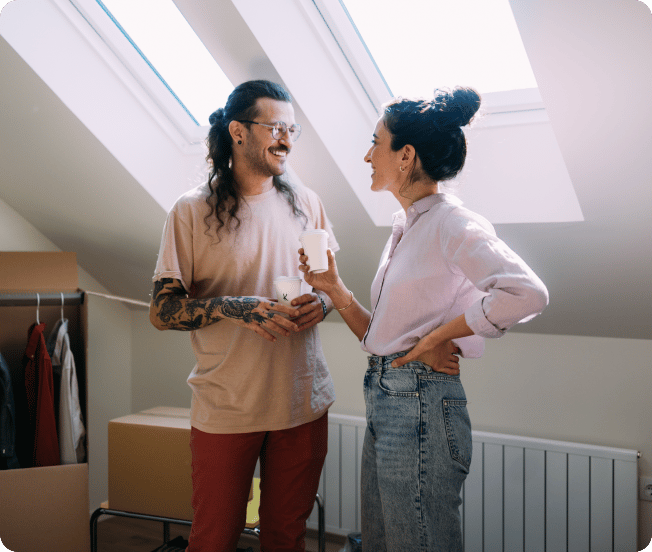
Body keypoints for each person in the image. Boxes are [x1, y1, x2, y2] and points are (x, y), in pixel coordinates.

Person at [299, 87, 549, 552]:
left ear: (405, 156)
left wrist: (442, 334)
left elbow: (526, 292)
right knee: (380, 543)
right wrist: (335, 289)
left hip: (421, 404)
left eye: (377, 142)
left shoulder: (452, 222)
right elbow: (388, 339)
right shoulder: (406, 228)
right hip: (388, 396)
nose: (367, 154)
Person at [150, 80, 339, 552]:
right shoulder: (191, 211)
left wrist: (325, 303)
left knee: (285, 537)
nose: (286, 139)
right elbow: (162, 309)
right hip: (227, 407)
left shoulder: (307, 203)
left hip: (302, 402)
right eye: (274, 126)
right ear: (238, 131)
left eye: (291, 128)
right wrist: (234, 308)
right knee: (214, 539)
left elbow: (329, 285)